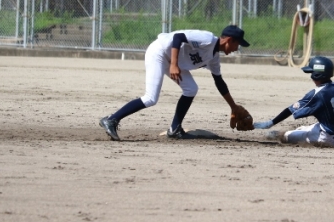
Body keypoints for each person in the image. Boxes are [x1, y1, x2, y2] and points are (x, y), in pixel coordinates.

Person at [99, 25, 250, 141]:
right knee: (151, 98)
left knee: (191, 88)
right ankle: (111, 120)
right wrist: (173, 64)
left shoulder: (214, 58)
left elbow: (219, 82)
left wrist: (233, 106)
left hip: (172, 60)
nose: (237, 49)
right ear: (229, 40)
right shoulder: (208, 39)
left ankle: (174, 129)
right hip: (159, 53)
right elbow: (178, 37)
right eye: (238, 44)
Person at [253, 56, 334, 147]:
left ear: (317, 75)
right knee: (302, 128)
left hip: (324, 137)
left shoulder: (316, 94)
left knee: (287, 136)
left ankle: (284, 135)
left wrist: (271, 123)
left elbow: (290, 110)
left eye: (312, 73)